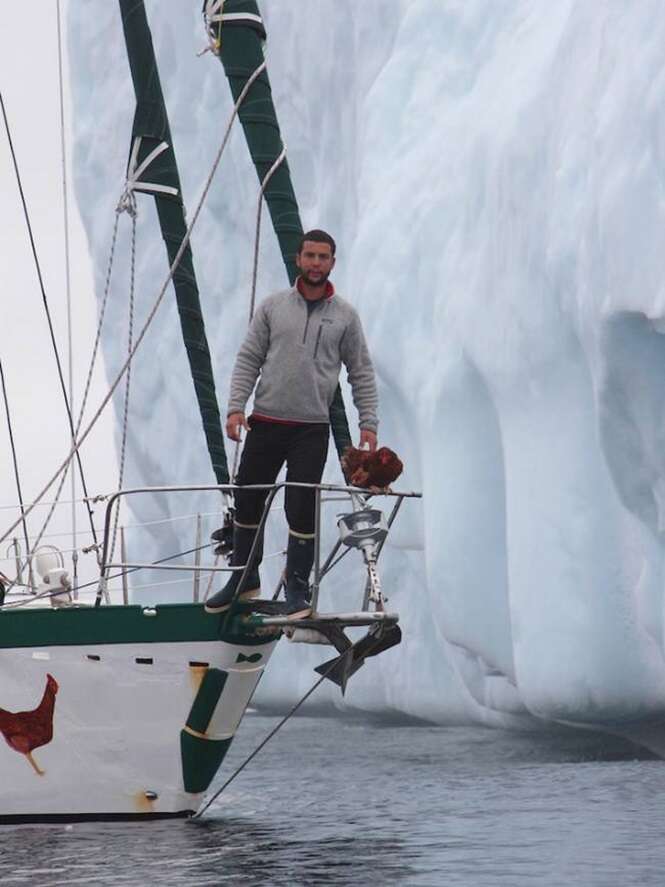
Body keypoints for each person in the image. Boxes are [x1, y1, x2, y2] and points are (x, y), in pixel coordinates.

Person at [205, 229, 378, 619]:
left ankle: (298, 588)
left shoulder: (345, 317)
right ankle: (244, 578)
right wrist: (235, 408)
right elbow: (248, 358)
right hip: (265, 422)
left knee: (300, 506)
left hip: (310, 429)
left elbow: (361, 372)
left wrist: (368, 422)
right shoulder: (272, 308)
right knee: (248, 498)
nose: (316, 263)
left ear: (333, 263)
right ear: (298, 259)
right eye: (310, 256)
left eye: (323, 257)